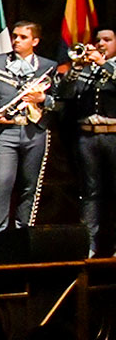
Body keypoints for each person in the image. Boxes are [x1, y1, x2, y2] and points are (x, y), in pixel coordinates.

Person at [0, 20, 58, 240]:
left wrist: (43, 99)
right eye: (15, 36)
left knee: (30, 186)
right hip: (5, 132)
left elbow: (60, 101)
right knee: (3, 183)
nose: (17, 40)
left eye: (23, 37)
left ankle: (23, 239)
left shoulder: (48, 66)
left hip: (35, 131)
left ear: (35, 41)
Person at [59, 26, 116, 256]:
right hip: (86, 137)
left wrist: (103, 64)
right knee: (89, 191)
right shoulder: (85, 69)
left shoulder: (110, 67)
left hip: (113, 135)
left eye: (107, 40)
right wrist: (76, 68)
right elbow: (64, 93)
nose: (101, 44)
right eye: (98, 40)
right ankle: (89, 245)